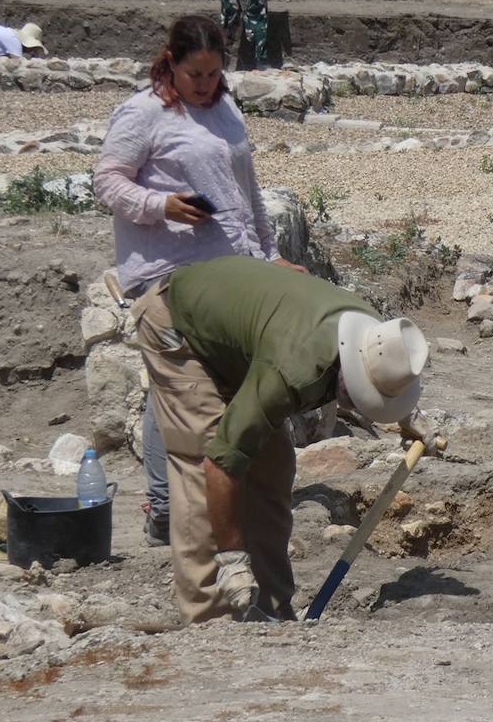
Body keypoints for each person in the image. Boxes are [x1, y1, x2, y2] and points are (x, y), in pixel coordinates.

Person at [94, 14, 301, 548]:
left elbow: (247, 191)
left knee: (206, 385)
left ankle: (224, 494)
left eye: (213, 74)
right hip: (172, 272)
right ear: (171, 63)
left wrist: (270, 254)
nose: (205, 85)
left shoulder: (227, 109)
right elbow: (107, 182)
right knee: (178, 388)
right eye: (195, 75)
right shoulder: (144, 113)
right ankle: (168, 507)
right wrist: (160, 204)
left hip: (232, 271)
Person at [131, 255, 429, 624]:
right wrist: (232, 559)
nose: (361, 407)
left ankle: (272, 609)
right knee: (202, 463)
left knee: (273, 466)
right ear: (346, 373)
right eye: (362, 397)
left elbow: (382, 374)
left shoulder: (375, 337)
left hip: (244, 338)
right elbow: (219, 464)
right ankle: (210, 620)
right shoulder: (294, 371)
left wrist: (406, 417)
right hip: (177, 325)